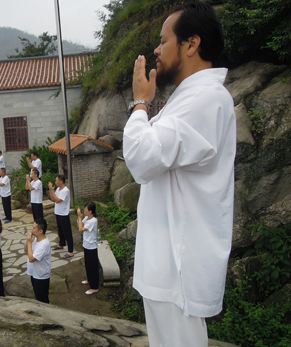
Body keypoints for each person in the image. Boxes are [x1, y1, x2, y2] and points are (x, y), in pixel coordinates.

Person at [122, 3, 236, 346]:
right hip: (166, 266)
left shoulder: (207, 98)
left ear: (191, 44)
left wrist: (140, 103)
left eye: (163, 40)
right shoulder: (189, 98)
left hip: (177, 269)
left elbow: (142, 157)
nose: (157, 50)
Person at [25, 218, 51, 303]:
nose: (32, 230)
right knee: (38, 297)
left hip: (41, 276)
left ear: (40, 231)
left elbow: (31, 259)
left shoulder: (44, 244)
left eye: (34, 228)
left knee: (42, 300)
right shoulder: (36, 238)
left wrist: (29, 242)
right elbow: (26, 250)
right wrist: (28, 241)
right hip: (34, 273)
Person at [48, 175, 73, 259]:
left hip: (64, 214)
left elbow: (58, 200)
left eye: (56, 181)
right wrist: (51, 190)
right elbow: (53, 198)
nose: (56, 182)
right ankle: (61, 244)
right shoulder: (58, 189)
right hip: (58, 212)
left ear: (61, 181)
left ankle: (70, 251)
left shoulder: (65, 190)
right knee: (60, 231)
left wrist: (52, 190)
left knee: (67, 233)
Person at [77, 202, 99, 295]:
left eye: (85, 209)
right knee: (88, 265)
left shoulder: (93, 221)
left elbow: (80, 229)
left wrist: (79, 217)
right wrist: (81, 218)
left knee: (93, 267)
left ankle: (94, 287)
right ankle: (90, 279)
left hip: (92, 247)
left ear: (90, 211)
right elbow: (80, 225)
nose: (84, 210)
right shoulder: (87, 218)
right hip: (86, 245)